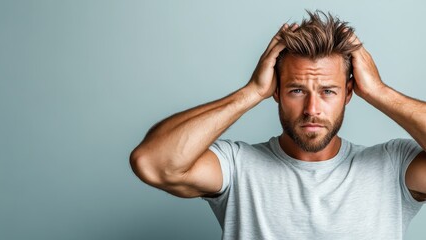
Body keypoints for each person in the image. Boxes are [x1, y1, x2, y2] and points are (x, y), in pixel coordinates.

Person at [130, 10, 426, 239]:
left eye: (328, 91)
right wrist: (250, 92)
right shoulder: (237, 166)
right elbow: (153, 163)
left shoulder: (393, 166)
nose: (312, 109)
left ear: (348, 93)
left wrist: (379, 91)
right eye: (297, 90)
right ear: (276, 91)